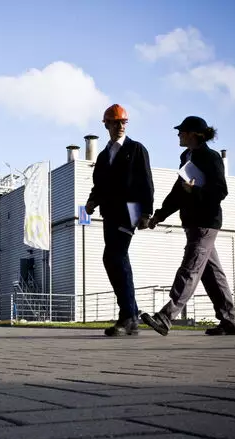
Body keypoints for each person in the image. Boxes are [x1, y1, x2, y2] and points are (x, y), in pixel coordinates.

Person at [140, 115, 235, 336]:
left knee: (190, 268)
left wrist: (194, 191)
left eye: (182, 131)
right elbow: (178, 193)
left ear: (194, 134)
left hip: (205, 223)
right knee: (211, 274)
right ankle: (230, 320)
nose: (178, 134)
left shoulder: (210, 157)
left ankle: (166, 317)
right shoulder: (187, 156)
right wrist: (159, 216)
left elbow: (220, 191)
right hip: (192, 222)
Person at [85, 104, 154, 336]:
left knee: (115, 255)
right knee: (112, 259)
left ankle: (128, 316)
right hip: (110, 213)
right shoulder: (104, 156)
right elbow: (99, 185)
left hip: (131, 211)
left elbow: (146, 181)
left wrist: (146, 213)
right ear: (106, 124)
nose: (120, 126)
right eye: (115, 123)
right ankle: (131, 314)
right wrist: (92, 202)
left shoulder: (136, 149)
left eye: (123, 122)